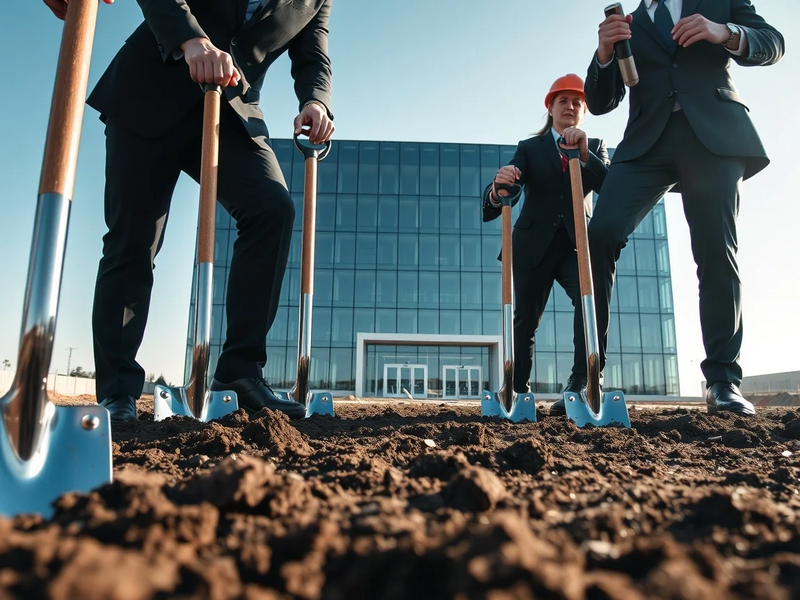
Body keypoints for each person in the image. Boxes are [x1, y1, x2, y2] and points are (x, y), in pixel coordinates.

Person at [44, 0, 335, 421]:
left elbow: (314, 55)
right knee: (134, 240)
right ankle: (117, 391)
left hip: (231, 112)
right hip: (151, 89)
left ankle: (239, 374)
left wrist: (316, 101)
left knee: (273, 208)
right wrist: (191, 40)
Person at [585, 0, 784, 415]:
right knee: (599, 234)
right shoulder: (629, 24)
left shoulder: (718, 2)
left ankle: (723, 381)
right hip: (645, 145)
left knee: (715, 249)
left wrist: (723, 32)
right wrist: (604, 55)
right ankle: (587, 374)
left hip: (713, 137)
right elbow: (602, 102)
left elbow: (773, 43)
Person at [482, 74, 610, 416]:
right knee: (524, 321)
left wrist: (584, 156)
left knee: (589, 311)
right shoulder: (530, 148)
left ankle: (581, 386)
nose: (570, 107)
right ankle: (517, 390)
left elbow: (611, 187)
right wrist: (498, 187)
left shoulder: (594, 147)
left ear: (584, 112)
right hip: (531, 247)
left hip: (576, 248)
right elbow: (508, 187)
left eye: (577, 102)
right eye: (563, 101)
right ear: (550, 108)